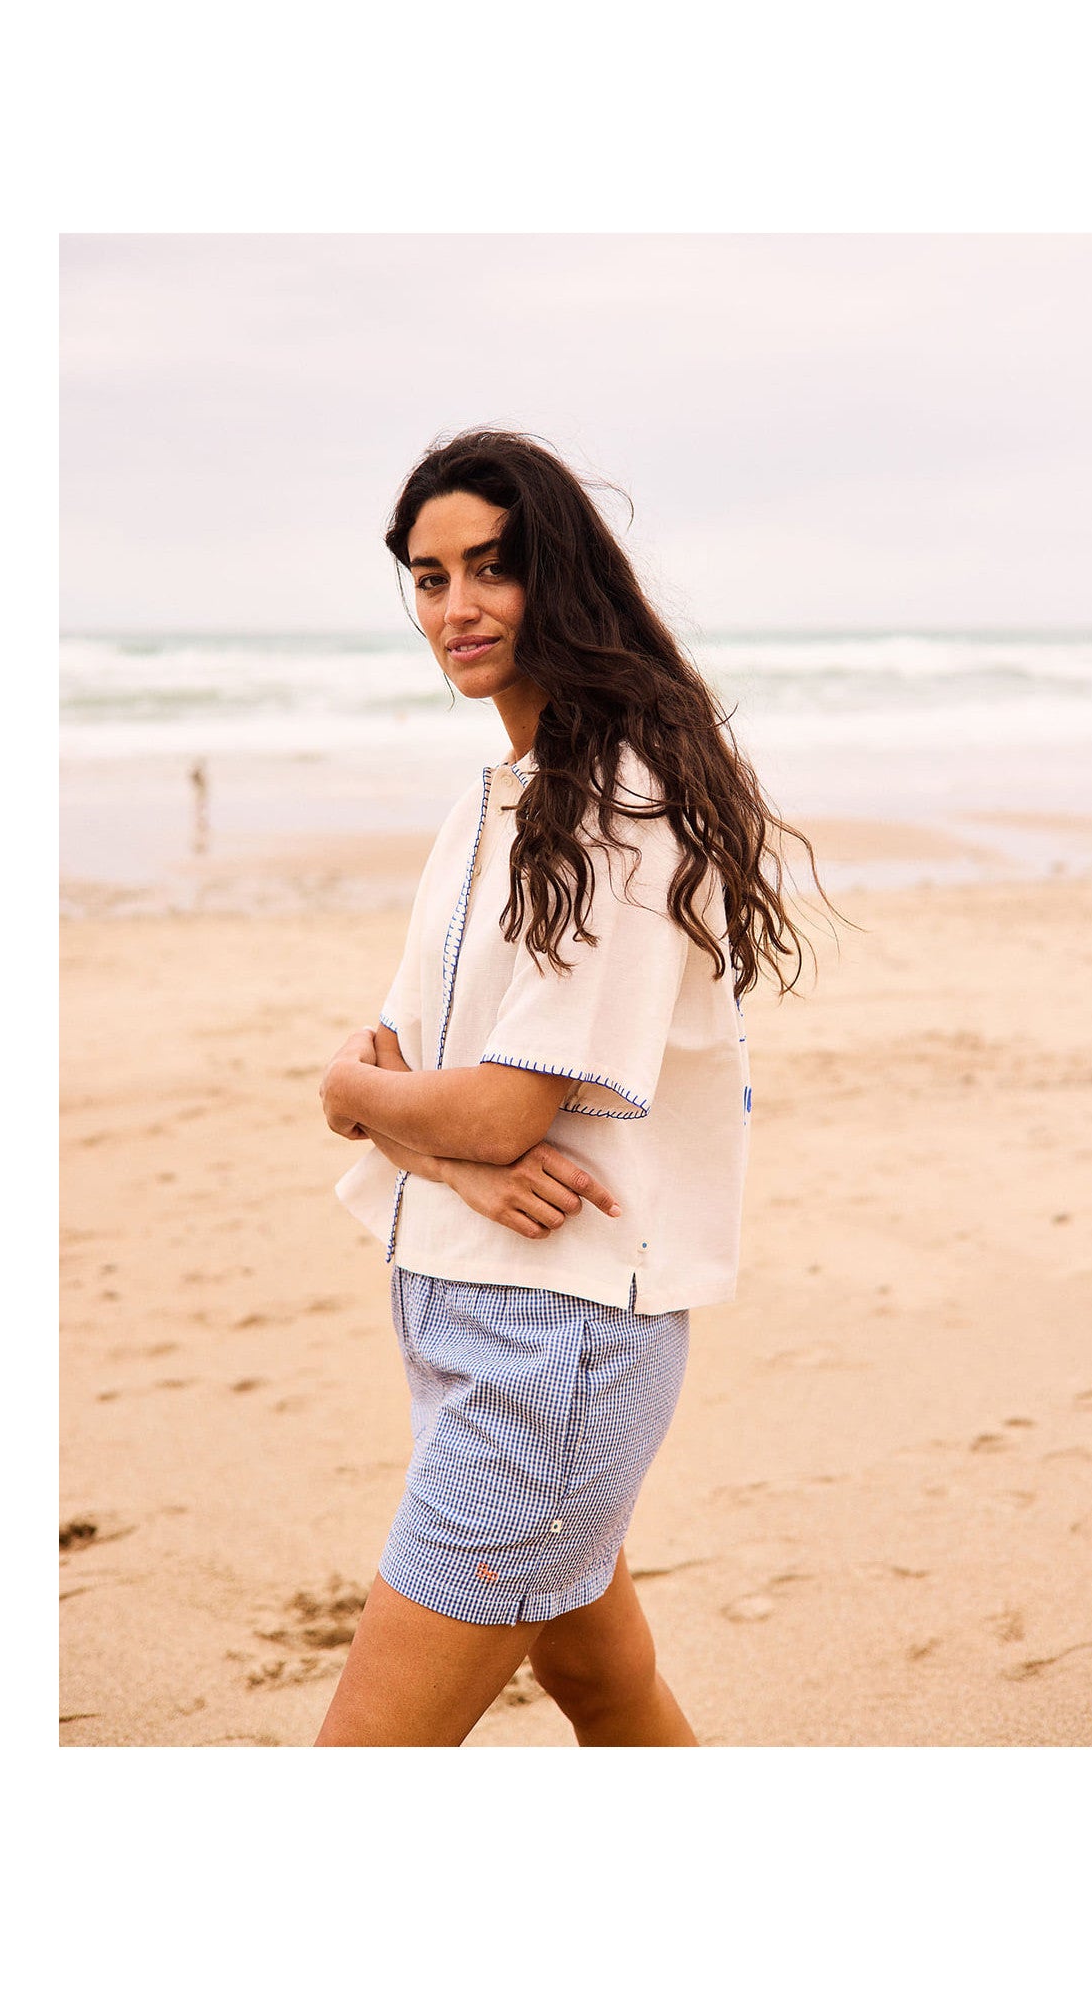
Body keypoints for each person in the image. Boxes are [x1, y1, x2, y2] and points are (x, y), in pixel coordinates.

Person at [315, 429, 837, 1746]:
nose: (458, 607)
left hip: (554, 1341)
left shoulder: (621, 803)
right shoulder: (495, 798)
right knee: (602, 1685)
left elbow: (476, 1104)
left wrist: (403, 1110)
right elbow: (397, 1085)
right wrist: (427, 1139)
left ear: (564, 578)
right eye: (429, 578)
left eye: (493, 567)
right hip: (453, 1308)